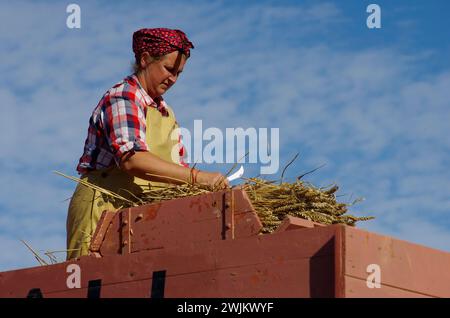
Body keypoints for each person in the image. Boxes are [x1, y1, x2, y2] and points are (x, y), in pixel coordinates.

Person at [66, 28, 229, 260]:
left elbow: (178, 173)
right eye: (168, 69)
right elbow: (132, 159)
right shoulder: (123, 97)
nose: (173, 79)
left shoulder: (166, 114)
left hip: (142, 218)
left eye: (179, 73)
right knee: (90, 281)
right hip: (103, 209)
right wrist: (199, 177)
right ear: (144, 59)